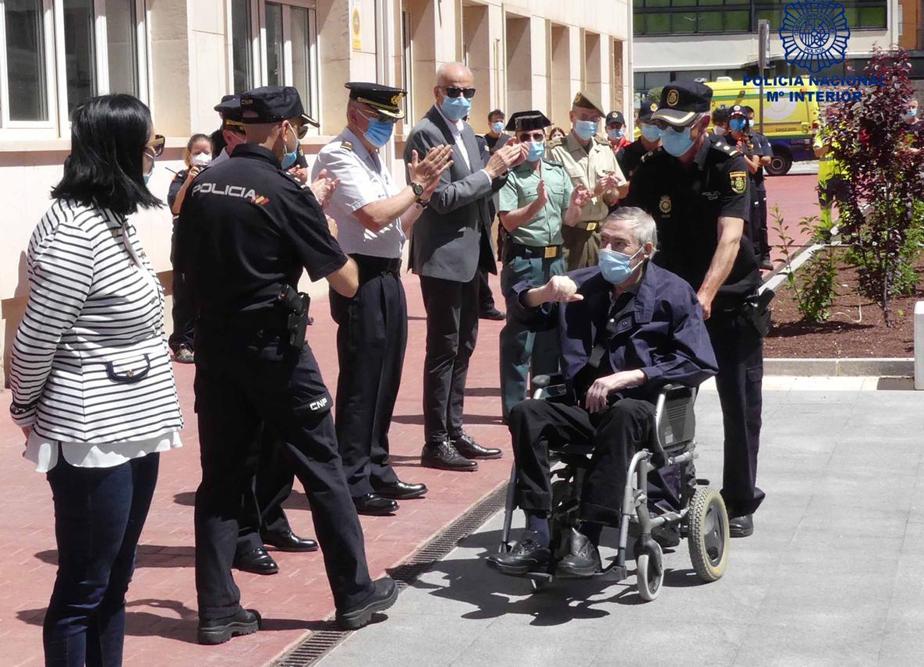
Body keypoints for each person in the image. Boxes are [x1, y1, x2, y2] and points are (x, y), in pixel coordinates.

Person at [178, 86, 396, 643]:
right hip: (276, 351)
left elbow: (184, 267)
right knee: (322, 468)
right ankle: (355, 595)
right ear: (283, 129)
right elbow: (344, 279)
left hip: (217, 350)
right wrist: (320, 225)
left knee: (222, 478)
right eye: (297, 128)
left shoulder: (201, 185)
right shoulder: (282, 189)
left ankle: (216, 608)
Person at [9, 94, 183, 665]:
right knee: (84, 586)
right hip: (90, 435)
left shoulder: (112, 220)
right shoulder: (71, 234)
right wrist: (26, 412)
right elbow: (35, 339)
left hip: (136, 424)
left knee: (115, 579)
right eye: (150, 146)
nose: (156, 156)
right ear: (119, 153)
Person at [488, 208, 717, 576]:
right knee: (526, 412)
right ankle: (537, 533)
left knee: (623, 414)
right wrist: (541, 293)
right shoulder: (583, 285)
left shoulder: (673, 293)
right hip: (584, 406)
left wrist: (631, 376)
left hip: (642, 411)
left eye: (619, 244)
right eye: (604, 241)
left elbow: (697, 361)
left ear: (646, 250)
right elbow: (525, 313)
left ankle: (587, 538)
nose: (607, 250)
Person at [625, 81, 765, 539]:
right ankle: (666, 503)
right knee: (669, 401)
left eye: (677, 126)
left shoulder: (730, 164)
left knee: (739, 404)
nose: (667, 133)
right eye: (661, 125)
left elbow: (730, 237)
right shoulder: (652, 168)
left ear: (703, 124)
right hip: (672, 303)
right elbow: (635, 227)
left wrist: (705, 295)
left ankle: (740, 499)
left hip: (727, 302)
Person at [313, 82, 452, 515]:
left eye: (391, 121)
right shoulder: (339, 155)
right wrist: (415, 186)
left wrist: (423, 195)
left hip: (388, 272)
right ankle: (352, 478)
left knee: (386, 376)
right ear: (355, 112)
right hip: (362, 274)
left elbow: (397, 226)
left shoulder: (374, 157)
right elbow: (372, 217)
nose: (387, 128)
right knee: (361, 381)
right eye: (380, 119)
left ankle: (377, 464)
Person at [404, 62, 526, 471]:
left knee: (465, 345)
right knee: (444, 347)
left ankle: (453, 430)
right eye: (454, 91)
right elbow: (438, 197)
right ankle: (435, 440)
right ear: (437, 92)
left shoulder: (469, 136)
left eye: (469, 92)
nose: (462, 100)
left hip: (472, 255)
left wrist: (505, 168)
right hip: (442, 257)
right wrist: (490, 172)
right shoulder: (427, 132)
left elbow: (481, 189)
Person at [497, 110, 590, 420]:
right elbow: (508, 222)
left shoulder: (556, 170)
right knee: (521, 337)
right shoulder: (509, 175)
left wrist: (577, 206)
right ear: (516, 140)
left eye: (538, 136)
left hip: (555, 259)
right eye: (526, 137)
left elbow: (568, 220)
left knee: (551, 335)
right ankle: (513, 411)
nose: (533, 142)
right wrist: (536, 204)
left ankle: (543, 408)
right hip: (525, 259)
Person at [548, 92, 628, 270]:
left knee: (600, 290)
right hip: (570, 234)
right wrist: (595, 190)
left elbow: (615, 195)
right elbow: (555, 199)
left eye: (594, 119)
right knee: (569, 289)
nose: (590, 123)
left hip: (600, 234)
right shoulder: (556, 151)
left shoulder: (604, 149)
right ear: (572, 116)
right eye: (584, 117)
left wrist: (611, 190)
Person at [166, 133, 212, 363]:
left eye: (206, 152)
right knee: (183, 294)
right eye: (197, 152)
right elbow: (176, 207)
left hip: (209, 242)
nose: (202, 156)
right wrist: (188, 182)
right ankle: (182, 342)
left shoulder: (216, 177)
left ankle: (203, 340)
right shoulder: (180, 177)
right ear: (188, 155)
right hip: (185, 242)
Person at [742, 105, 774, 269]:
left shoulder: (757, 138)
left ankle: (764, 255)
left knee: (760, 222)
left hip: (757, 184)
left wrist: (748, 160)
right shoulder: (734, 140)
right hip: (743, 186)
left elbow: (767, 160)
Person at [813, 120, 850, 230]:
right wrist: (829, 145)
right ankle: (825, 231)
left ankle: (846, 231)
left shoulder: (844, 135)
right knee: (825, 207)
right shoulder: (821, 135)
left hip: (843, 175)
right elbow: (817, 152)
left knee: (845, 206)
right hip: (825, 178)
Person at [616, 96, 660, 180]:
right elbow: (616, 190)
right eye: (648, 122)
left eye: (656, 123)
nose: (652, 126)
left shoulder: (670, 152)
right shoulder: (624, 155)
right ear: (638, 123)